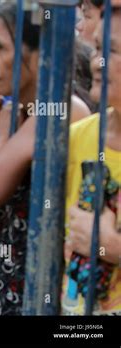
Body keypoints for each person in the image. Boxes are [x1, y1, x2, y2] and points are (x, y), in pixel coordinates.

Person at [62, 5, 121, 315]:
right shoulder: (78, 136)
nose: (96, 62)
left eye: (110, 50)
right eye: (97, 47)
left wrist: (109, 244)